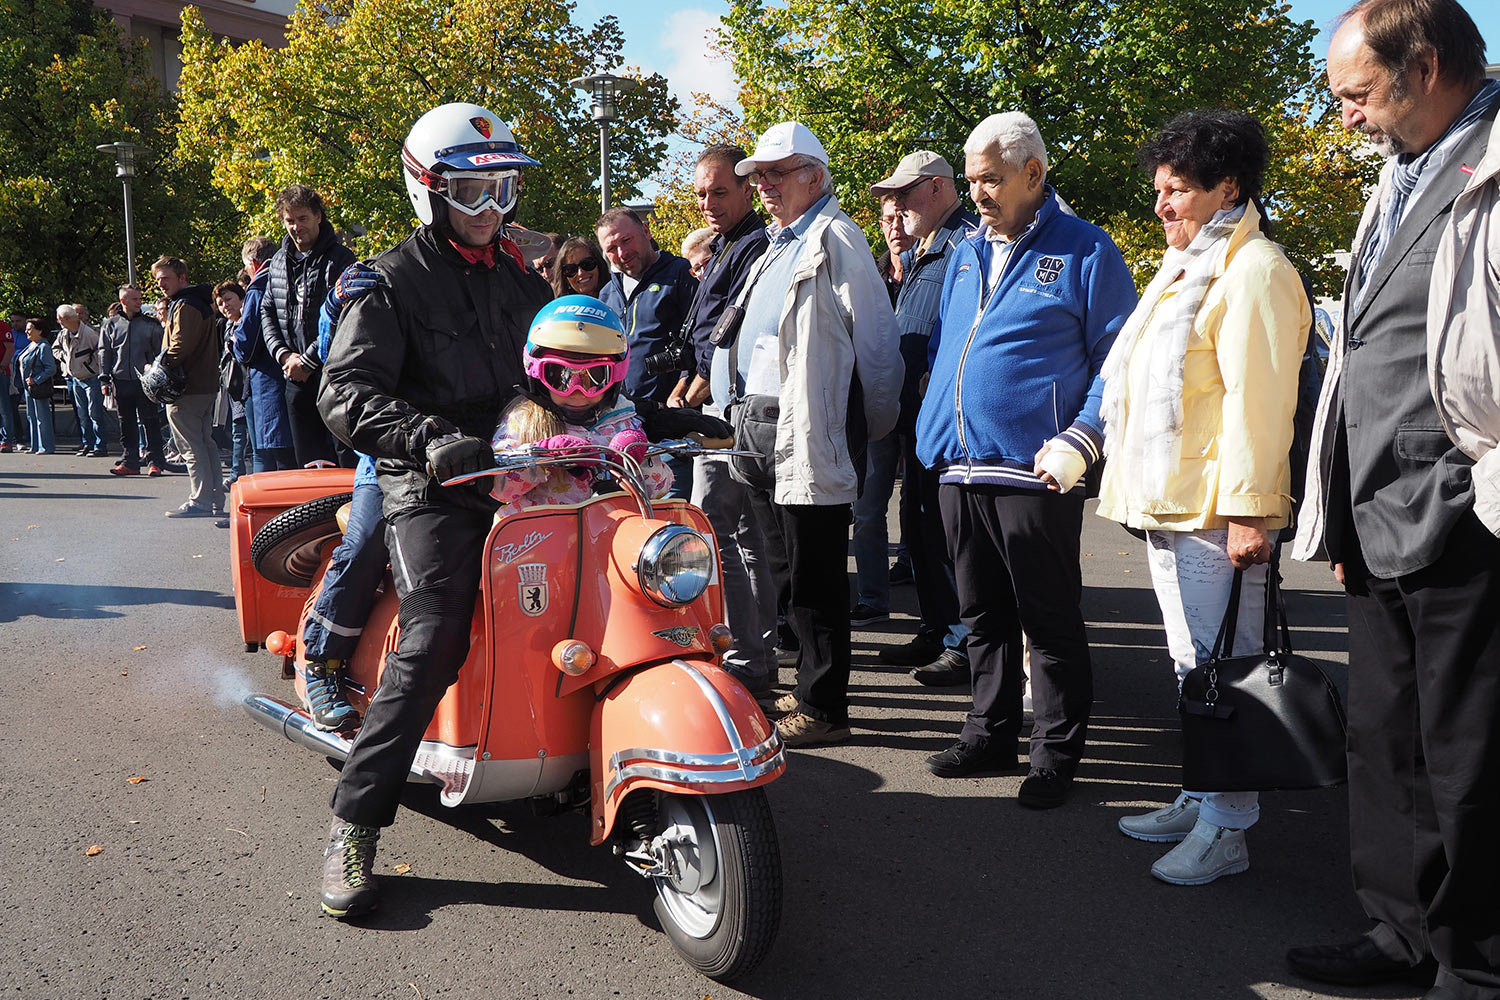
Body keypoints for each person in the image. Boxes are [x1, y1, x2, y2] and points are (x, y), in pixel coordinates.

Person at [1285, 2, 1500, 995]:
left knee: (1470, 758)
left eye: (1357, 94)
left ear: (1424, 62)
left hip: (1469, 519)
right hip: (1379, 514)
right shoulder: (1397, 174)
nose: (1347, 119)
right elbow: (1363, 348)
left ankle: (1475, 962)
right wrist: (1336, 496)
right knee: (1385, 743)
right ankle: (1401, 930)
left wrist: (1476, 486)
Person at [314, 101, 553, 919]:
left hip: (529, 471)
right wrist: (424, 437)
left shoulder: (525, 282)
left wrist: (649, 417)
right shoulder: (387, 281)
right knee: (437, 632)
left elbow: (564, 380)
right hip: (434, 483)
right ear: (429, 190)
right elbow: (342, 391)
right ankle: (354, 824)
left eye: (503, 191)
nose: (490, 211)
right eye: (470, 192)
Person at [1093, 109, 1309, 883]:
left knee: (1231, 666)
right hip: (1171, 505)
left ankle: (1229, 828)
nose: (1161, 206)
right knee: (1193, 664)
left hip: (1219, 514)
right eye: (1159, 189)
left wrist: (1253, 512)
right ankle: (1201, 792)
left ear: (1228, 187)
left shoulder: (1256, 271)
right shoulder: (1186, 262)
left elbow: (1261, 401)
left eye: (1176, 190)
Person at [915, 112, 1135, 807]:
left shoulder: (1086, 249)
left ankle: (1056, 754)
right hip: (958, 466)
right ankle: (990, 732)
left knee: (1048, 618)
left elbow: (1117, 359)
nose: (978, 192)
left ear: (1034, 175)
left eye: (992, 178)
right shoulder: (965, 253)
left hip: (1034, 470)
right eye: (973, 178)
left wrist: (1081, 436)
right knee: (981, 615)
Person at [712, 120, 902, 746]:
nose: (762, 185)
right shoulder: (778, 242)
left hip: (806, 434)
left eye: (775, 174)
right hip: (761, 432)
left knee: (816, 578)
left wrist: (861, 432)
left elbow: (877, 349)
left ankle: (823, 709)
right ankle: (807, 694)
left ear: (814, 177)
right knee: (787, 572)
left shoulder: (835, 238)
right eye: (758, 176)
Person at [672, 144, 777, 699]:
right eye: (701, 194)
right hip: (714, 400)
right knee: (736, 533)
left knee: (719, 531)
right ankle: (753, 652)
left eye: (719, 191)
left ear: (744, 190)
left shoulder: (753, 245)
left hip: (729, 406)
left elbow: (730, 327)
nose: (708, 203)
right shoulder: (729, 244)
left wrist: (701, 377)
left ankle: (748, 658)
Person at [869, 150, 979, 685]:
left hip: (943, 425)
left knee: (946, 534)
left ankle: (962, 642)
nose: (899, 205)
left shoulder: (966, 244)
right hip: (915, 422)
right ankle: (937, 629)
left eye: (907, 194)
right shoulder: (927, 251)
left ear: (937, 188)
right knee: (920, 528)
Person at [490, 294, 672, 513]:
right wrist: (542, 456)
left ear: (616, 376)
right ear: (536, 372)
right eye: (561, 377)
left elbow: (661, 487)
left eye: (595, 378)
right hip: (542, 537)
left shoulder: (621, 419)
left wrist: (636, 459)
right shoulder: (524, 421)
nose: (577, 392)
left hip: (608, 533)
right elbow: (499, 489)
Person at [849, 192, 918, 630]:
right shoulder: (870, 274)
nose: (895, 227)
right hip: (877, 405)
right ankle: (873, 598)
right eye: (887, 219)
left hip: (921, 406)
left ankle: (911, 566)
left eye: (902, 218)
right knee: (868, 506)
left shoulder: (934, 268)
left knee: (919, 503)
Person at [595, 207, 698, 494]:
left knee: (671, 512)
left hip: (669, 429)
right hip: (621, 428)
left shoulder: (680, 274)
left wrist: (683, 391)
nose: (621, 252)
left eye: (626, 240)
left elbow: (701, 343)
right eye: (611, 248)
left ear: (646, 231)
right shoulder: (607, 293)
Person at [261, 184, 357, 467]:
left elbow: (343, 317)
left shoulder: (341, 259)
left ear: (318, 217)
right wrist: (284, 355)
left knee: (344, 459)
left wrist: (308, 361)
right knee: (309, 464)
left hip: (334, 376)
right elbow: (268, 311)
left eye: (302, 218)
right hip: (294, 375)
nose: (296, 227)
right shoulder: (278, 260)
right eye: (289, 220)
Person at [153, 255, 223, 519]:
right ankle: (214, 499)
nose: (161, 284)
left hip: (187, 387)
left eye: (166, 278)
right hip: (203, 385)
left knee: (191, 447)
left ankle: (201, 501)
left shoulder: (184, 305)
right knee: (205, 444)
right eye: (158, 279)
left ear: (182, 277)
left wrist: (157, 367)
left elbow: (180, 346)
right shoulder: (200, 302)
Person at [236, 236, 297, 472]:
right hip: (294, 372)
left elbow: (246, 344)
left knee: (270, 456)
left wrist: (234, 343)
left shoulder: (259, 287)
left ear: (252, 262)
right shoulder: (289, 279)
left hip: (268, 382)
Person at [100, 285, 168, 476]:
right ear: (123, 301)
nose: (139, 302)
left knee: (151, 421)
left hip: (145, 381)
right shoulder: (110, 325)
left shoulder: (150, 324)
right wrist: (104, 378)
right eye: (135, 299)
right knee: (126, 423)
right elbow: (104, 352)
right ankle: (130, 461)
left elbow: (161, 353)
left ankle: (155, 461)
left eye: (139, 298)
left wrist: (158, 377)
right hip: (121, 380)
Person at [52, 304, 108, 457]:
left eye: (59, 319)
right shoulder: (63, 334)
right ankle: (87, 443)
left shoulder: (89, 334)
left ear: (68, 319)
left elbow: (100, 353)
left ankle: (100, 446)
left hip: (91, 378)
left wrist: (90, 366)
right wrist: (64, 358)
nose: (58, 322)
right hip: (75, 377)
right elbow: (55, 349)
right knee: (82, 413)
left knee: (94, 413)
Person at [213, 280, 252, 495]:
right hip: (233, 386)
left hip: (248, 384)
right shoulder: (227, 326)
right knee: (238, 431)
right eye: (220, 303)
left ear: (241, 298)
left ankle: (249, 475)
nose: (225, 306)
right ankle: (236, 474)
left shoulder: (248, 322)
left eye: (228, 299)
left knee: (251, 435)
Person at [19, 320, 56, 454]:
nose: (26, 331)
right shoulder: (31, 345)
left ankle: (46, 446)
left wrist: (36, 379)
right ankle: (35, 445)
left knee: (42, 416)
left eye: (29, 329)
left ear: (39, 331)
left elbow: (50, 368)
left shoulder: (43, 347)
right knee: (32, 416)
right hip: (28, 388)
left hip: (38, 387)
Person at [0, 314, 15, 452]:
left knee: (4, 408)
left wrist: (2, 367)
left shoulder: (2, 325)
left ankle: (6, 441)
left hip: (1, 374)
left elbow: (10, 348)